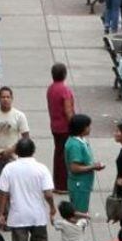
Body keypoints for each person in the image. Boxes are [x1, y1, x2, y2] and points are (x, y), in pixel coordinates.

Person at [0, 136, 55, 241]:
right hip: (38, 216)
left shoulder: (9, 169)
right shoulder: (41, 169)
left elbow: (3, 193)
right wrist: (52, 208)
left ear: (17, 151)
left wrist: (1, 213)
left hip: (17, 216)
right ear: (33, 151)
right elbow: (48, 194)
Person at [0, 86, 30, 188]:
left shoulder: (19, 116)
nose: (6, 99)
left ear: (12, 98)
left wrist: (12, 149)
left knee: (12, 187)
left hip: (13, 158)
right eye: (3, 97)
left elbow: (26, 136)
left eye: (8, 97)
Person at [64, 114, 103, 217]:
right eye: (88, 126)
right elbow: (74, 168)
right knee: (79, 213)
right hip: (79, 185)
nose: (90, 128)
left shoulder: (81, 141)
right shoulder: (74, 145)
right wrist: (93, 167)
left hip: (84, 183)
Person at [47, 63, 76, 193]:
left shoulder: (51, 89)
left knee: (58, 154)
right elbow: (68, 111)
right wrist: (75, 125)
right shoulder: (65, 90)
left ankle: (57, 182)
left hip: (55, 125)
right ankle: (63, 185)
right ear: (64, 74)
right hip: (65, 127)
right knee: (65, 156)